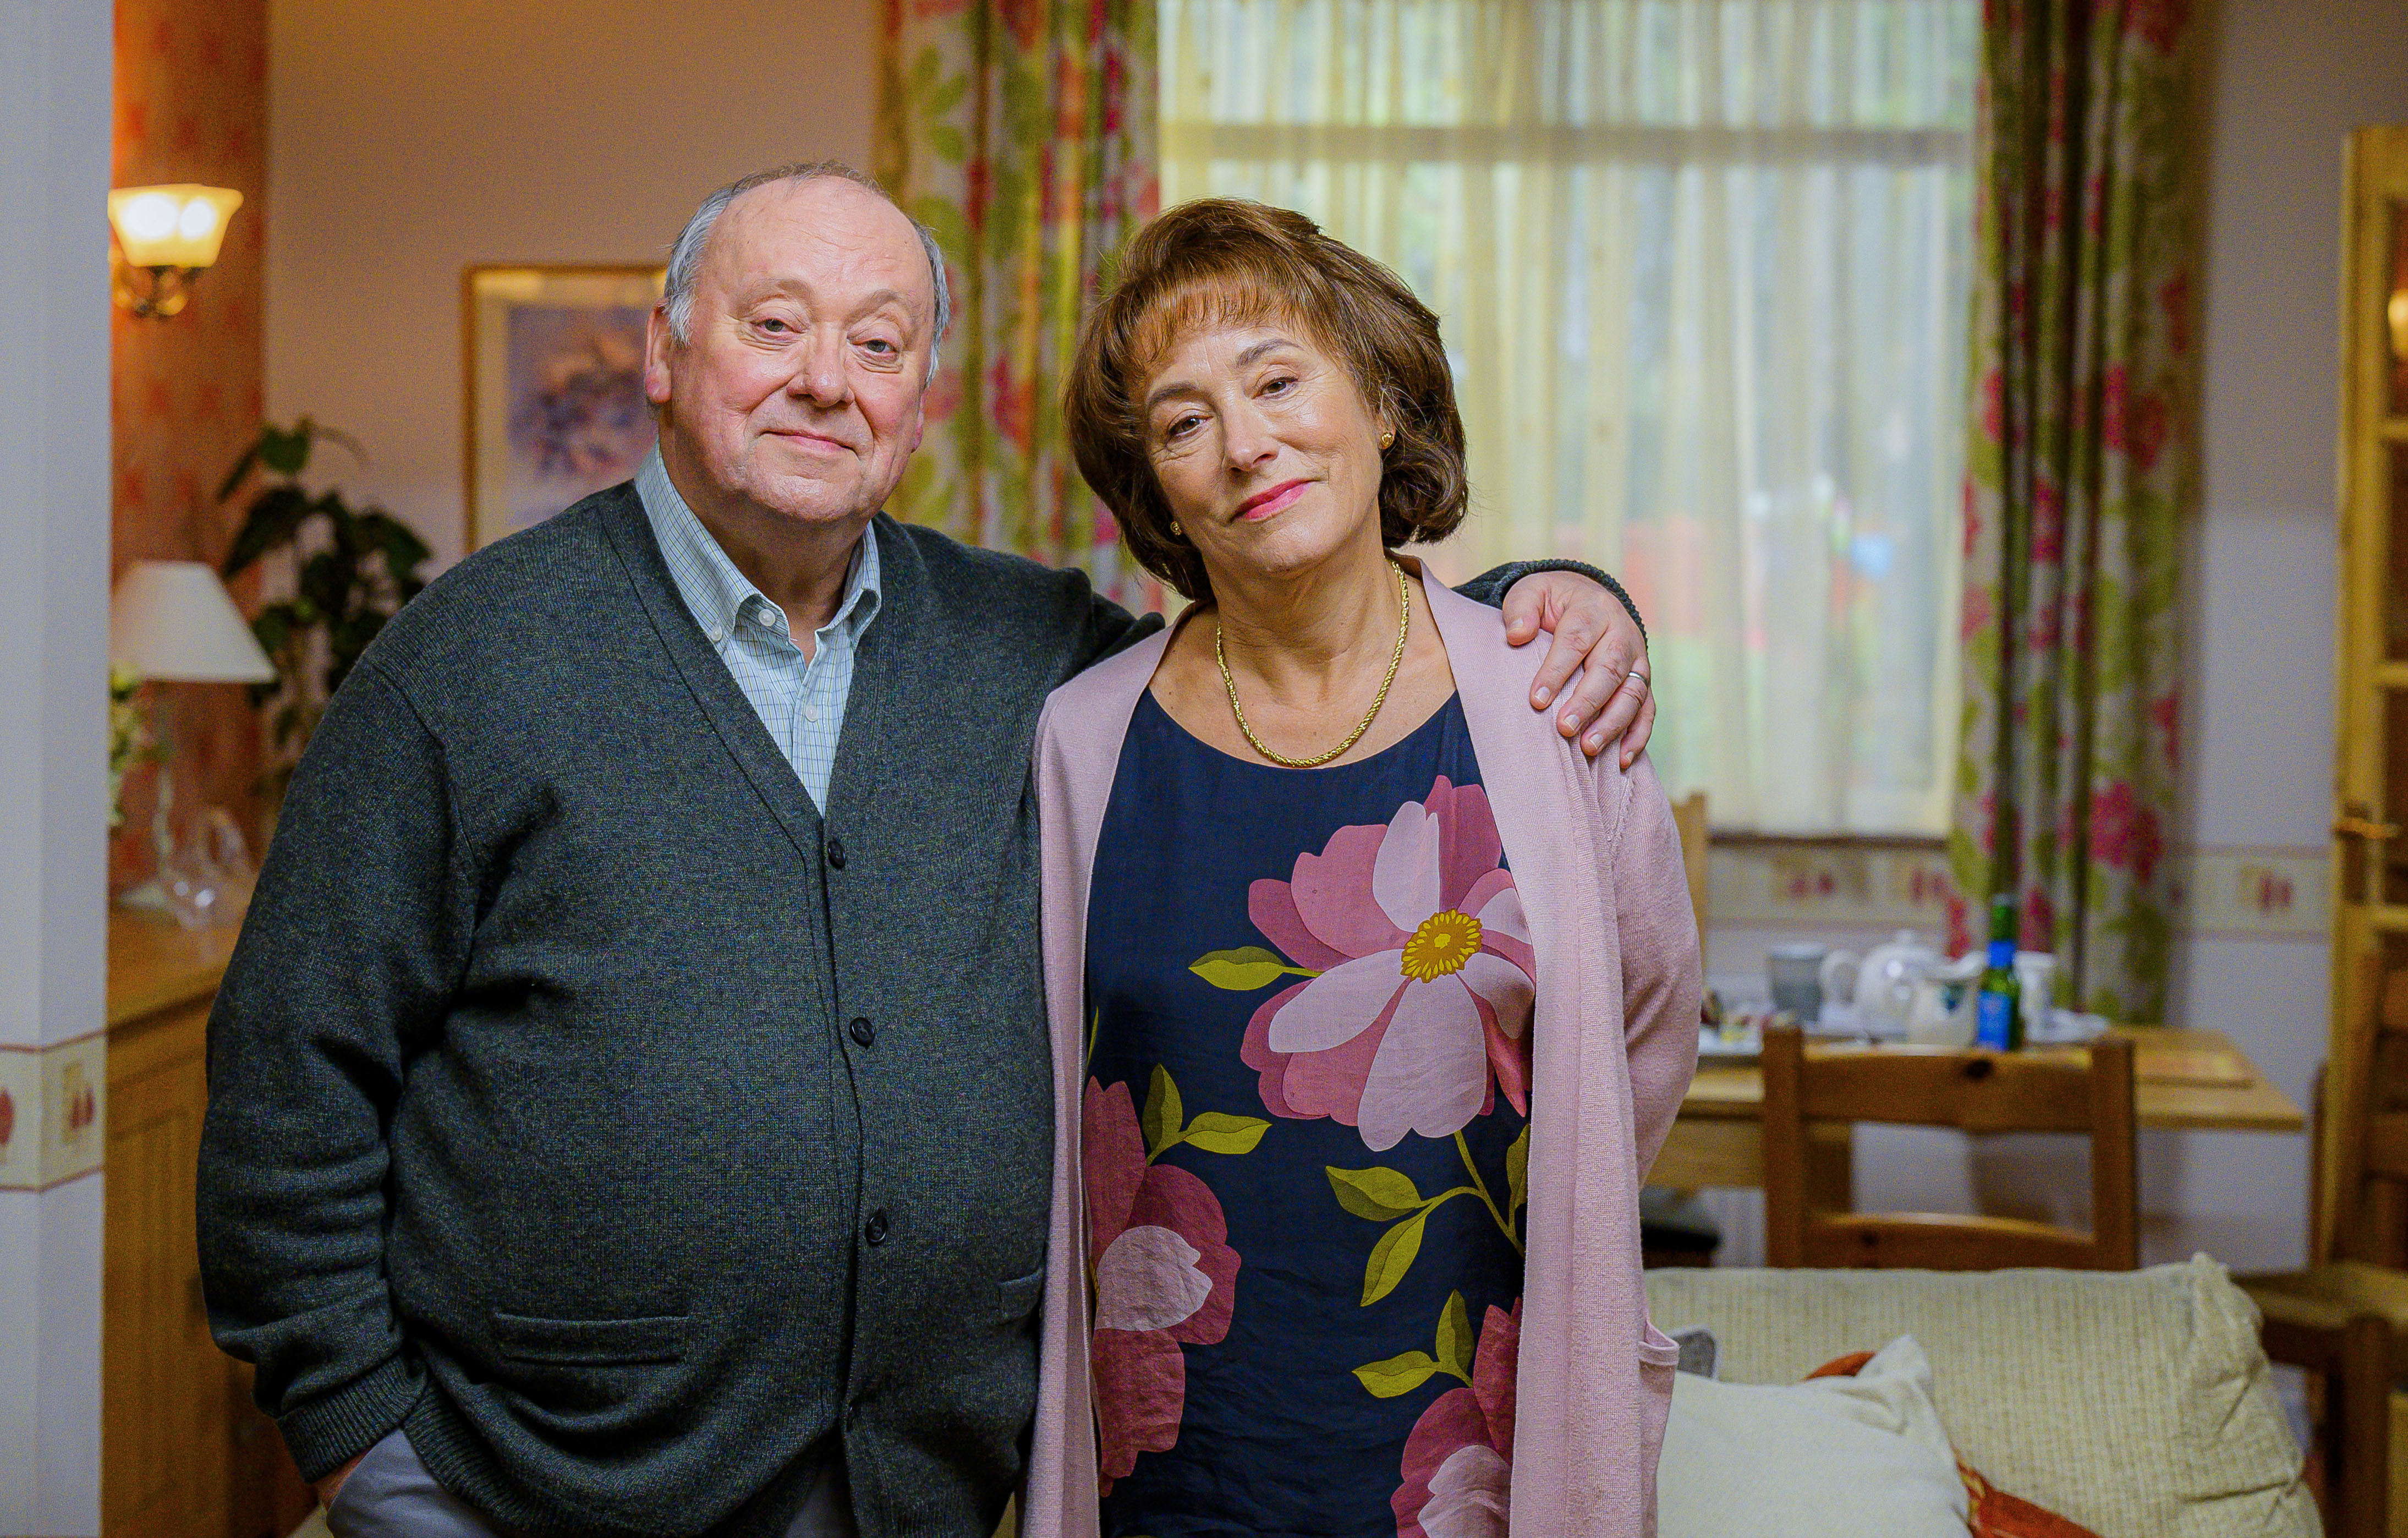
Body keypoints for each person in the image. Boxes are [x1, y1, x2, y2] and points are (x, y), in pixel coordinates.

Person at [196, 162, 1656, 1538]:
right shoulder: (469, 666)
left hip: (921, 1490)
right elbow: (287, 1081)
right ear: (662, 349)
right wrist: (364, 1445)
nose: (827, 377)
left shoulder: (1036, 659)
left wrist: (1558, 599)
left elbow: (1292, 636)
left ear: (920, 401)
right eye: (775, 327)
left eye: (878, 342)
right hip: (538, 1491)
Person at [1025, 198, 1702, 1537]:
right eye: (1181, 421)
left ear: (1382, 402)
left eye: (1278, 380)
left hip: (1479, 1440)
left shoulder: (1555, 700)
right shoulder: (1081, 738)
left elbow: (1644, 1026)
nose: (1243, 444)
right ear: (1156, 488)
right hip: (1169, 1452)